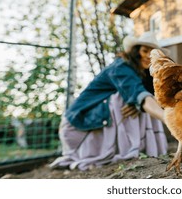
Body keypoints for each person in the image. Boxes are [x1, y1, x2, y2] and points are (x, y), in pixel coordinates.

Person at [50, 32, 168, 170]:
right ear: (136, 52)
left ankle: (141, 148)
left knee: (144, 100)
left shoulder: (145, 74)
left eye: (152, 52)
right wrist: (172, 121)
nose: (148, 55)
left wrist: (139, 104)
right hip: (77, 126)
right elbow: (140, 96)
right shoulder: (121, 67)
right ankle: (128, 149)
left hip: (98, 120)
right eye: (144, 50)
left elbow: (152, 99)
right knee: (126, 99)